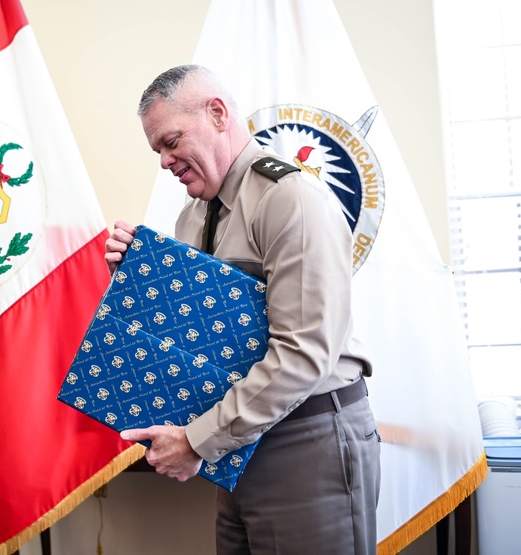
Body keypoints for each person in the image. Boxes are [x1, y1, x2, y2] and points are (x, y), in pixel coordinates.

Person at [107, 65, 381, 554]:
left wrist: (195, 441)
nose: (165, 161)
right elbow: (202, 336)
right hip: (238, 447)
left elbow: (302, 354)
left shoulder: (289, 198)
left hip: (306, 441)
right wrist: (140, 280)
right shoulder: (191, 217)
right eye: (158, 150)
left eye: (171, 142)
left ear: (217, 114)